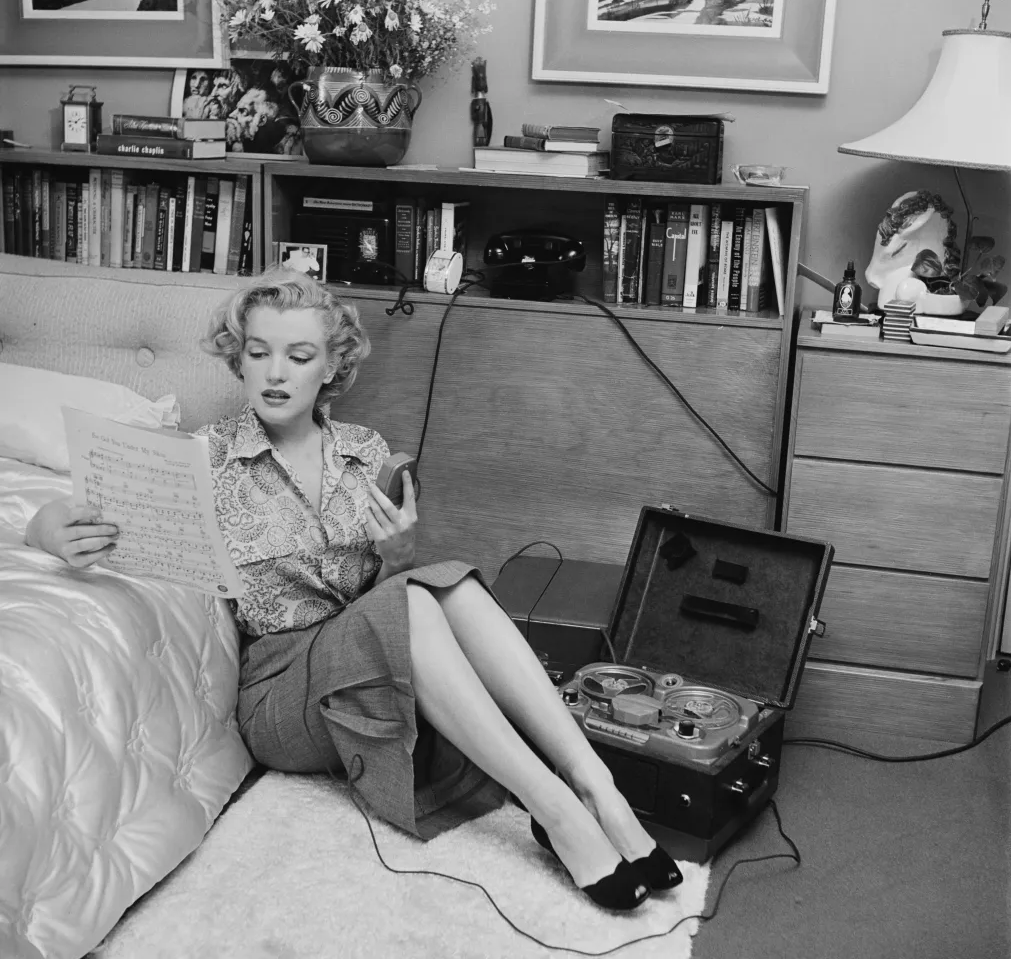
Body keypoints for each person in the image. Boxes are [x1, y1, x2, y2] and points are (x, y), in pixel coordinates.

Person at [24, 270, 681, 910]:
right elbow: (78, 507)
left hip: (372, 653)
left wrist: (397, 556)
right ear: (239, 361)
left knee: (442, 581)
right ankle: (558, 810)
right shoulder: (204, 454)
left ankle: (596, 784)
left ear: (329, 367)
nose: (275, 372)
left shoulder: (365, 453)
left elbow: (395, 607)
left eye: (298, 355)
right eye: (258, 353)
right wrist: (51, 531)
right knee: (416, 596)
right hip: (283, 692)